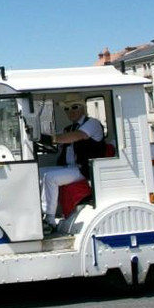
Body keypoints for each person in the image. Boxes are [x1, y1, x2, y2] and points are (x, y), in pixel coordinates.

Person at [39, 94, 105, 232]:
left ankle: (49, 218)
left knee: (50, 178)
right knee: (38, 172)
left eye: (75, 107)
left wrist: (53, 139)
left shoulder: (92, 123)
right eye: (67, 109)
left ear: (83, 108)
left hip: (85, 169)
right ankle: (38, 212)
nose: (71, 111)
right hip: (71, 167)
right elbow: (62, 139)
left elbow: (78, 136)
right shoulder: (68, 129)